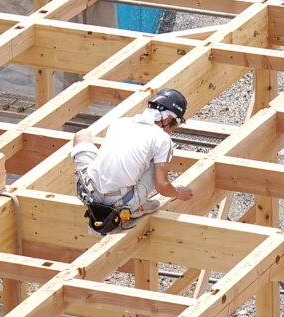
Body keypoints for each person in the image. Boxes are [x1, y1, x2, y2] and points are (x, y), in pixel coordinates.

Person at [72, 88, 194, 234]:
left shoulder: (119, 122)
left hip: (89, 191)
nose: (173, 130)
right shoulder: (162, 139)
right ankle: (136, 208)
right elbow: (162, 186)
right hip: (120, 203)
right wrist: (179, 193)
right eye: (175, 125)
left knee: (82, 135)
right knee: (154, 161)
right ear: (167, 120)